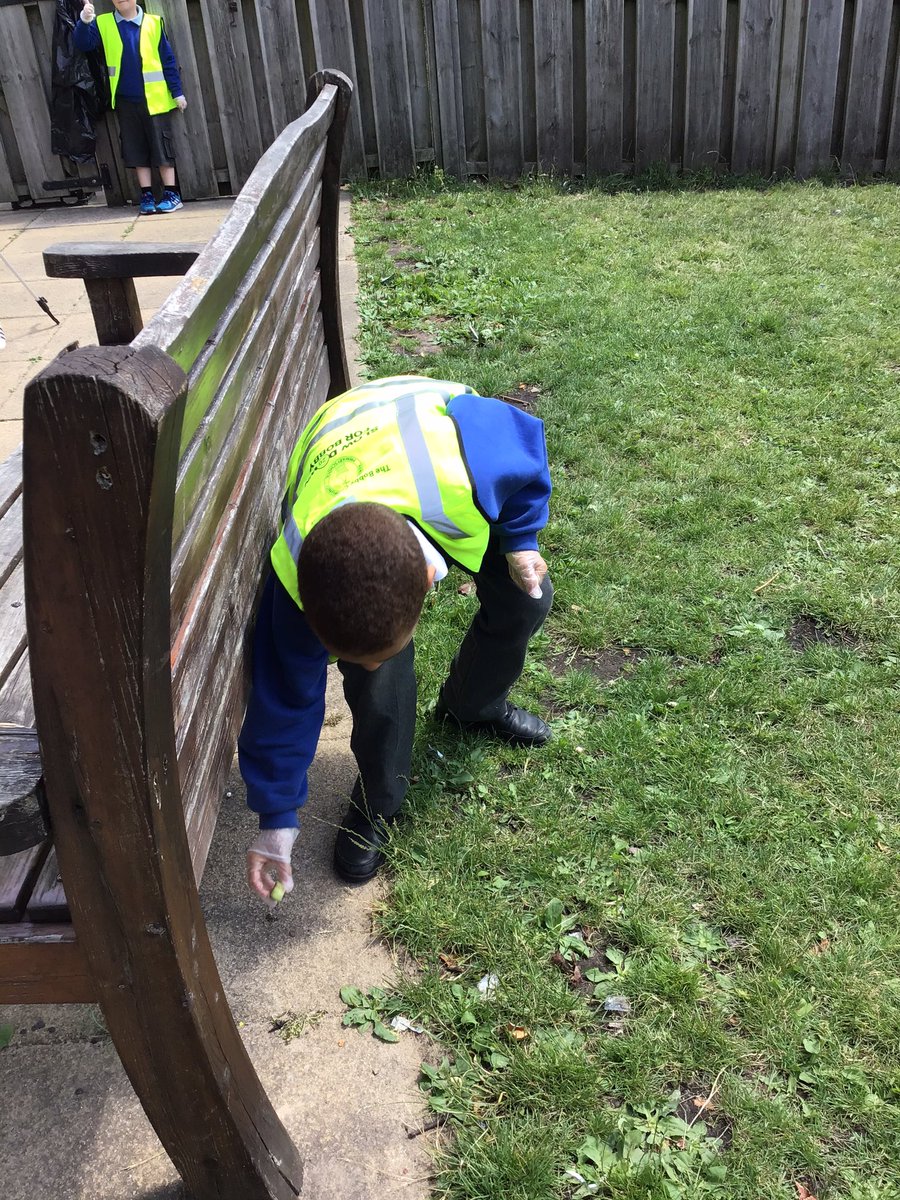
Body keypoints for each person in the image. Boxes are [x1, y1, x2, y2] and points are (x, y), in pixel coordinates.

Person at [240, 375, 554, 900]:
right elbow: (283, 697)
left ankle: (473, 705)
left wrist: (521, 539)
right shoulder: (296, 578)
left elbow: (523, 445)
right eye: (345, 656)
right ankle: (378, 802)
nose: (359, 666)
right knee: (380, 682)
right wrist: (276, 820)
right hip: (349, 445)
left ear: (430, 580)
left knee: (529, 596)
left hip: (432, 431)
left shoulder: (470, 468)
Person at [74, 0, 187, 214]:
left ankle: (172, 194)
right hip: (125, 100)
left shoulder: (154, 23)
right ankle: (146, 194)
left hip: (156, 100)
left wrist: (177, 92)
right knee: (135, 149)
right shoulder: (104, 23)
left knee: (161, 147)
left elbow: (168, 60)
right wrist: (84, 22)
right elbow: (83, 44)